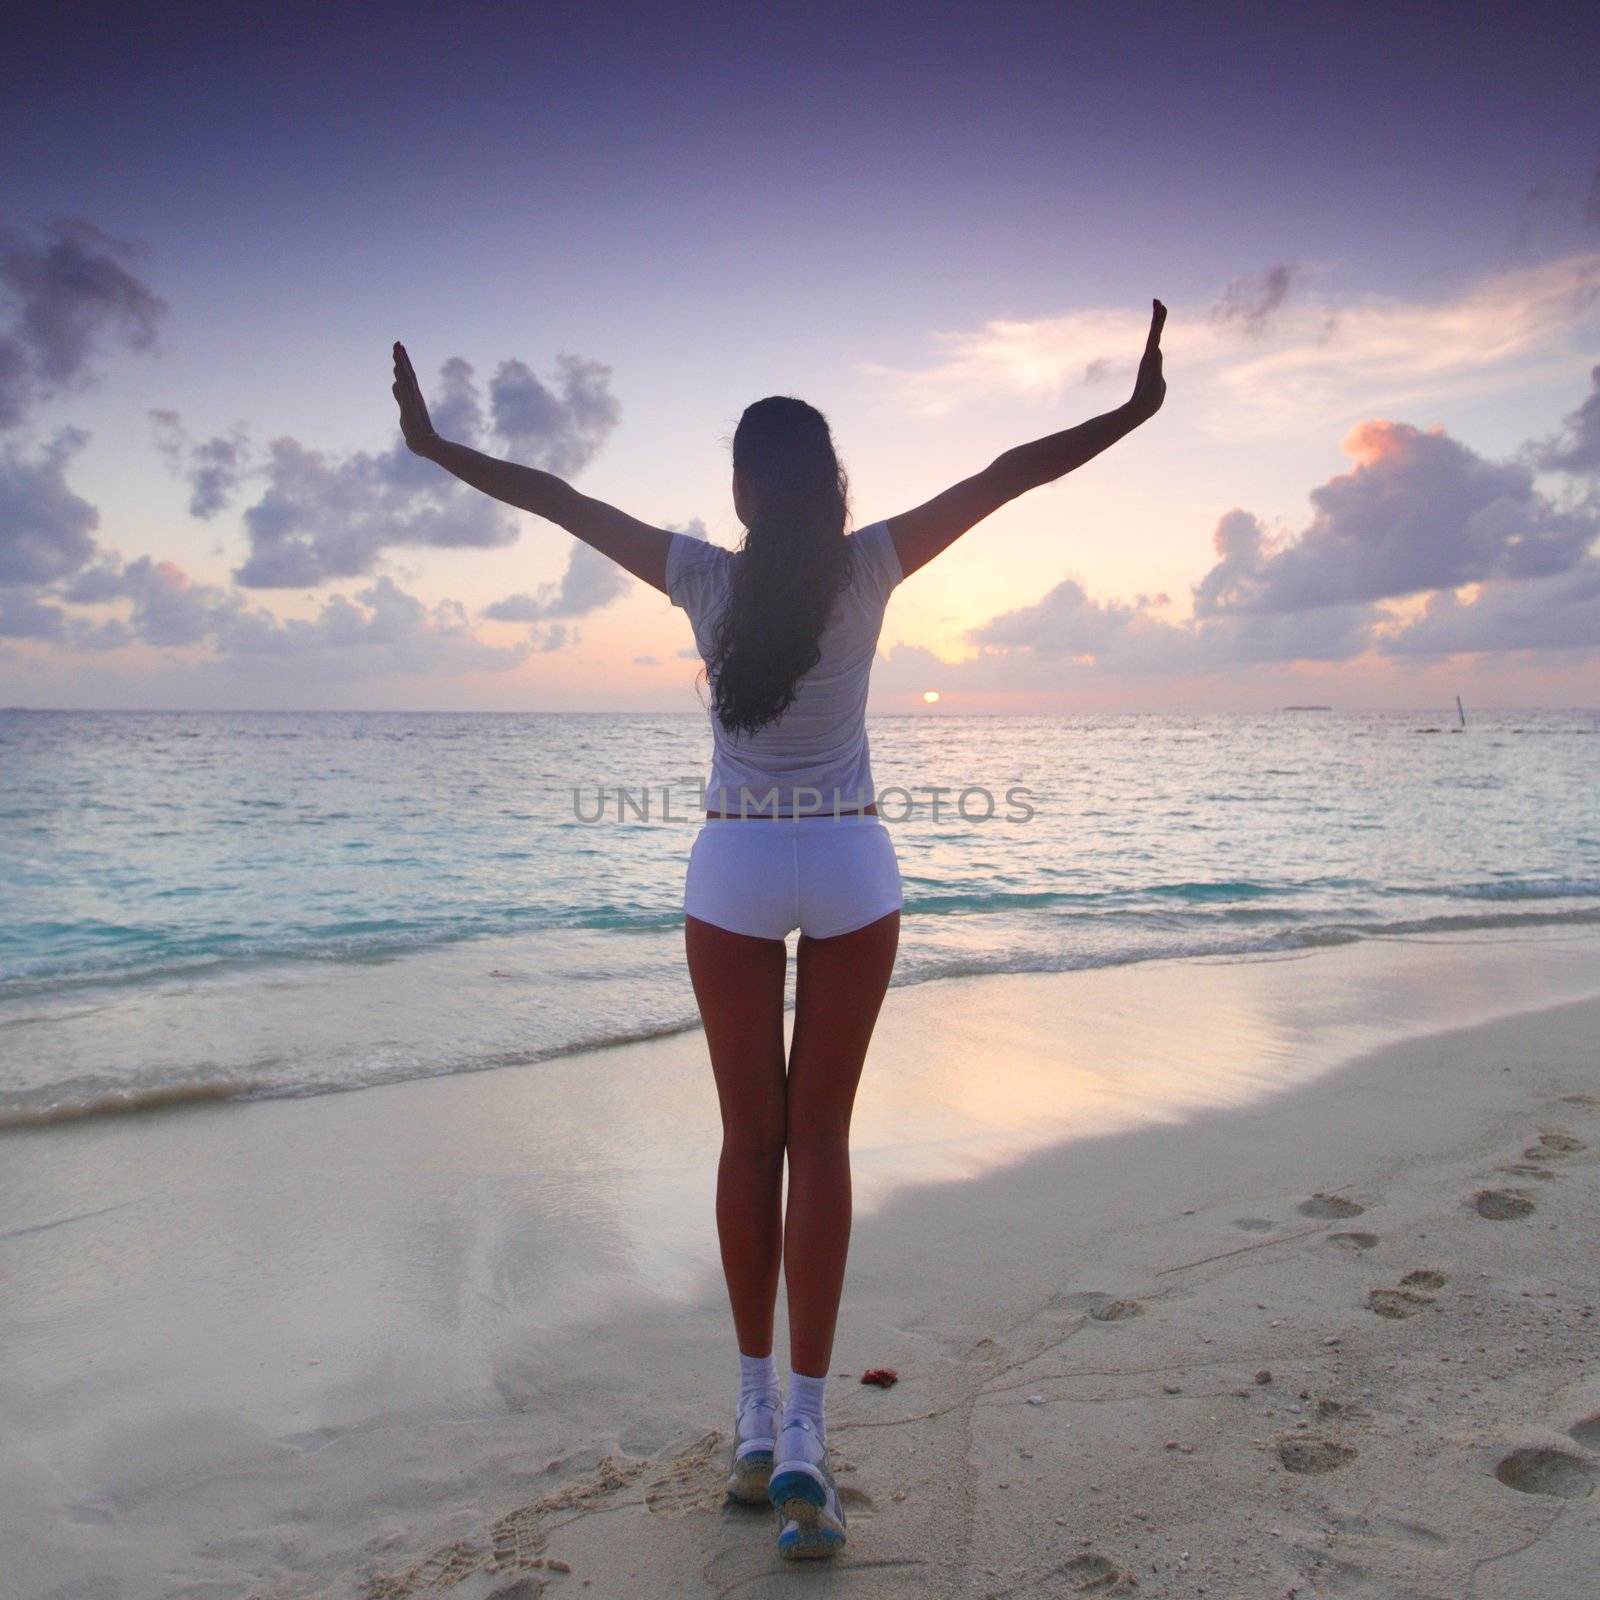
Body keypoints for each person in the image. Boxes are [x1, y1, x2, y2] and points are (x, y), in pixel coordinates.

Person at [390, 299, 1166, 1559]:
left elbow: (552, 495)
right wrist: (1131, 414)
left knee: (749, 1144)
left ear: (746, 490)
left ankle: (751, 1417)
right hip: (853, 864)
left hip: (734, 875)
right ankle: (807, 1430)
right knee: (822, 1142)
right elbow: (1008, 474)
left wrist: (436, 447)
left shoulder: (701, 572)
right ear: (830, 484)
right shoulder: (871, 563)